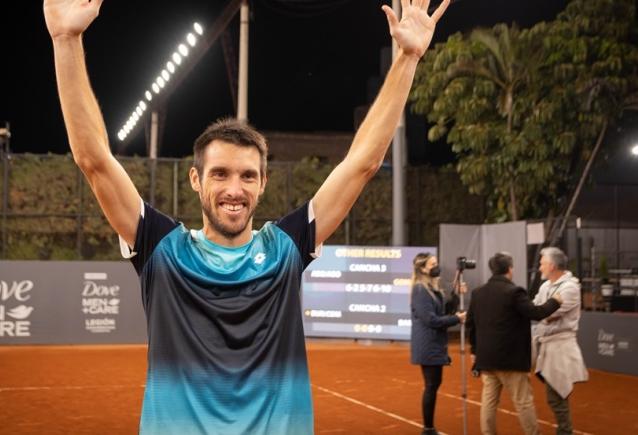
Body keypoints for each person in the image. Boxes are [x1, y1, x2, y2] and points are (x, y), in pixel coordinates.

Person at [44, 0, 451, 432]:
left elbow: (362, 165)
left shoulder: (287, 247)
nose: (234, 189)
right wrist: (66, 40)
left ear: (263, 183)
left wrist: (407, 58)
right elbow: (94, 161)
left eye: (247, 175)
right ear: (196, 180)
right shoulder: (162, 249)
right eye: (220, 174)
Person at [467, 252, 562, 435]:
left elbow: (471, 324)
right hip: (511, 360)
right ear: (510, 269)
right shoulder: (514, 292)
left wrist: (475, 350)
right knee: (523, 401)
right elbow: (536, 313)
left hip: (486, 359)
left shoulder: (478, 293)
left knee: (489, 401)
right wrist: (555, 301)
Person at [532, 247, 589, 435]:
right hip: (547, 346)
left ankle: (565, 431)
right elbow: (536, 310)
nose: (539, 267)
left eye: (542, 263)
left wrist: (542, 312)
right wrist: (542, 312)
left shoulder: (571, 287)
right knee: (554, 396)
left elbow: (548, 314)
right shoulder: (545, 286)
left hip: (561, 348)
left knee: (556, 396)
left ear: (552, 265)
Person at [410, 252, 465, 435]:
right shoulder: (420, 290)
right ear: (423, 269)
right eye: (432, 264)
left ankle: (429, 428)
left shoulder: (433, 288)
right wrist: (456, 319)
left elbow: (444, 311)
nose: (436, 267)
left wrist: (456, 294)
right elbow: (431, 320)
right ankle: (428, 429)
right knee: (431, 385)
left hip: (435, 343)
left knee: (434, 384)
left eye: (436, 263)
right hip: (428, 345)